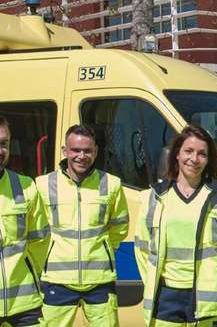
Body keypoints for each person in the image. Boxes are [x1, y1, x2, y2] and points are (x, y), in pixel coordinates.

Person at [135, 124, 217, 326]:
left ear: (208, 159)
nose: (194, 159)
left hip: (207, 295)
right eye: (188, 151)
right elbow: (142, 249)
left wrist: (215, 279)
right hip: (166, 296)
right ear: (176, 154)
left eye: (202, 154)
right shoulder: (154, 197)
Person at [36, 124, 129, 326]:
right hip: (57, 279)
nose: (81, 156)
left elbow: (119, 227)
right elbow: (37, 230)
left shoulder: (111, 184)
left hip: (99, 279)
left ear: (95, 152)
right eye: (76, 150)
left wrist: (103, 250)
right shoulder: (43, 184)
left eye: (87, 151)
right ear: (65, 151)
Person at [0, 115, 50, 326]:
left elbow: (40, 241)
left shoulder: (26, 186)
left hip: (24, 303)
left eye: (4, 143)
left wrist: (31, 275)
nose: (0, 150)